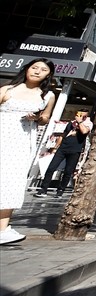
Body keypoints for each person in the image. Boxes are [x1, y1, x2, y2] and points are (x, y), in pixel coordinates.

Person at [0, 59, 58, 245]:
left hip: (22, 139)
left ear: (48, 75)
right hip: (2, 131)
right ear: (26, 69)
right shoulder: (7, 90)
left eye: (43, 70)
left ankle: (3, 228)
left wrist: (37, 118)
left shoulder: (47, 96)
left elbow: (45, 119)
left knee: (11, 180)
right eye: (34, 67)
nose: (37, 72)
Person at [35, 110, 92, 197]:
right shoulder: (71, 123)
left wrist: (80, 122)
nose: (78, 115)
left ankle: (61, 190)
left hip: (75, 150)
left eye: (81, 114)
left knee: (68, 171)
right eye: (78, 114)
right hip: (63, 148)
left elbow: (84, 131)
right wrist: (55, 147)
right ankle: (43, 189)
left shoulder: (88, 123)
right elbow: (63, 135)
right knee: (51, 168)